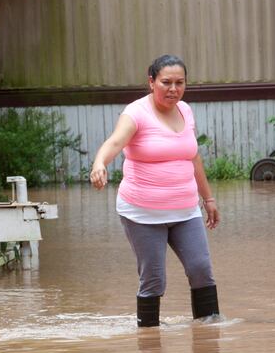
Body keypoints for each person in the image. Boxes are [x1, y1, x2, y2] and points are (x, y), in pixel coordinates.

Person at [90, 54, 220, 328]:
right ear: (151, 82)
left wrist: (207, 198)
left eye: (180, 83)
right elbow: (114, 143)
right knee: (154, 279)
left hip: (185, 210)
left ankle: (209, 336)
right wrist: (100, 163)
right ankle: (149, 342)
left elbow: (193, 156)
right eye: (166, 82)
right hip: (142, 213)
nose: (173, 89)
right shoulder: (136, 114)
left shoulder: (185, 110)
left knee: (201, 270)